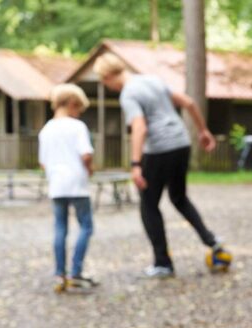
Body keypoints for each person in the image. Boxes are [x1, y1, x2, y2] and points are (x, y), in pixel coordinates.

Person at [92, 53, 229, 278]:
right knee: (179, 197)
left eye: (104, 81)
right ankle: (211, 240)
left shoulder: (128, 94)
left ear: (108, 76)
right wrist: (203, 131)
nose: (107, 86)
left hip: (159, 149)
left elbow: (140, 127)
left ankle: (162, 263)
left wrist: (136, 164)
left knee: (148, 205)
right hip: (181, 143)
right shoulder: (152, 80)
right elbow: (188, 102)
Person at [38, 84, 97, 290]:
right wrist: (89, 168)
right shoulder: (77, 126)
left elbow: (43, 162)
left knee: (60, 228)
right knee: (86, 226)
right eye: (78, 108)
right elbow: (86, 154)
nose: (78, 113)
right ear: (72, 104)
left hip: (56, 184)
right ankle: (76, 272)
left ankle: (59, 274)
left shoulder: (46, 129)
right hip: (77, 183)